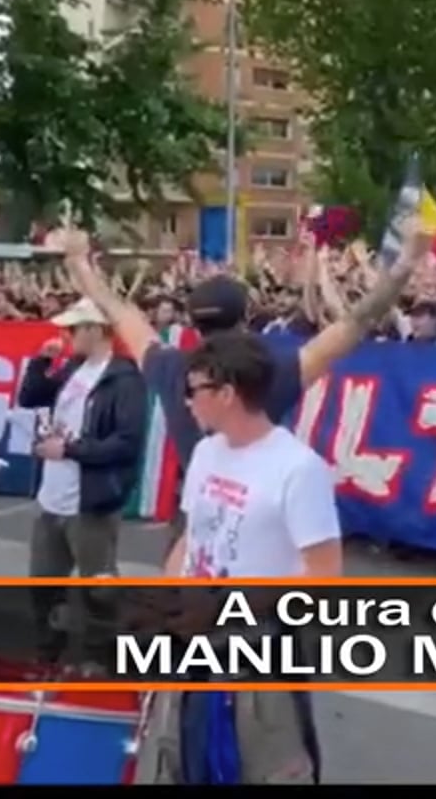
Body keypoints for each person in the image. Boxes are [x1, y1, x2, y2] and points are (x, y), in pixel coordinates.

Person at [54, 218, 430, 545]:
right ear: (246, 314)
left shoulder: (171, 368)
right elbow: (355, 323)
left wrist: (79, 264)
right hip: (260, 519)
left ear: (193, 320)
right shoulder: (273, 370)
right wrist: (405, 263)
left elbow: (120, 314)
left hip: (197, 516)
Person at [136, 331, 338, 785]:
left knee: (265, 769)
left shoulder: (298, 468)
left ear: (227, 394)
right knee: (179, 761)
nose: (186, 402)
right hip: (191, 648)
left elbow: (324, 575)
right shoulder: (207, 453)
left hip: (256, 658)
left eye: (194, 391)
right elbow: (191, 537)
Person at [15, 296, 146, 666]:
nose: (68, 336)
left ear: (94, 329)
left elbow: (126, 442)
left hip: (90, 501)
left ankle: (101, 660)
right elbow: (30, 396)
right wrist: (41, 361)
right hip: (53, 496)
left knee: (98, 587)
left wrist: (70, 450)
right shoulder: (74, 367)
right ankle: (48, 654)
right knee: (43, 583)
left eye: (74, 329)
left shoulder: (124, 379)